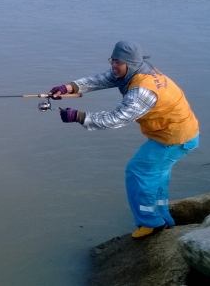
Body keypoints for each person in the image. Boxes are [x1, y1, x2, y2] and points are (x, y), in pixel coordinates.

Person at [47, 41, 199, 239]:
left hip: (174, 138)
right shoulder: (138, 70)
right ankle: (163, 218)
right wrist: (69, 87)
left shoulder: (142, 91)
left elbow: (116, 118)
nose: (113, 66)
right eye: (112, 60)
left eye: (117, 63)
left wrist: (79, 116)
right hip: (179, 133)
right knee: (157, 175)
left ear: (131, 64)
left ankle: (151, 224)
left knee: (138, 172)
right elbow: (104, 79)